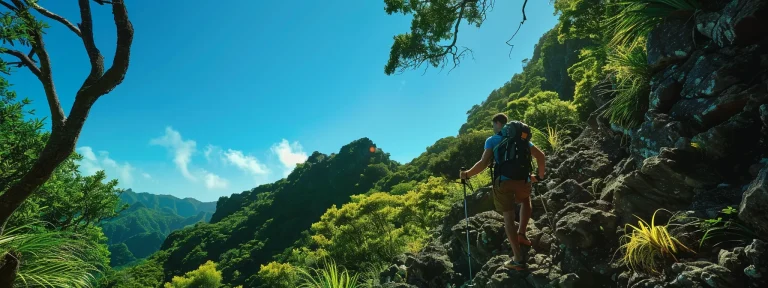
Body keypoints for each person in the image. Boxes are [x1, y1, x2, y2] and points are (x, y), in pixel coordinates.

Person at [459, 113, 546, 270]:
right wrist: (538, 177)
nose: (493, 128)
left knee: (508, 217)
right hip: (523, 180)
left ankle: (518, 259)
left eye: (494, 125)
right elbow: (541, 156)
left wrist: (466, 175)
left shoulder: (492, 140)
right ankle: (522, 235)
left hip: (503, 183)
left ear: (498, 123)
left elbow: (483, 163)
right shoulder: (522, 138)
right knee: (526, 201)